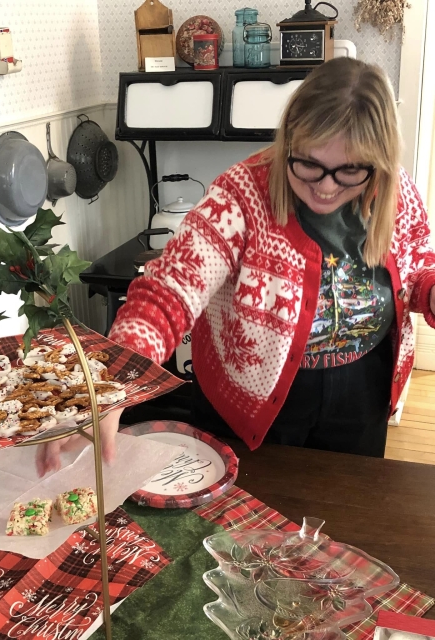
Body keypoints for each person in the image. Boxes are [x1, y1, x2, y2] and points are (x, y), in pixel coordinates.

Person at [36, 56, 435, 476]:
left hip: (362, 391)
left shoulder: (397, 193)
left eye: (350, 170)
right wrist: (110, 386)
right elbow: (167, 294)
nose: (327, 186)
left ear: (380, 163)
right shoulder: (241, 194)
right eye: (309, 165)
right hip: (252, 401)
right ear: (288, 143)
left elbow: (418, 270)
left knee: (346, 515)